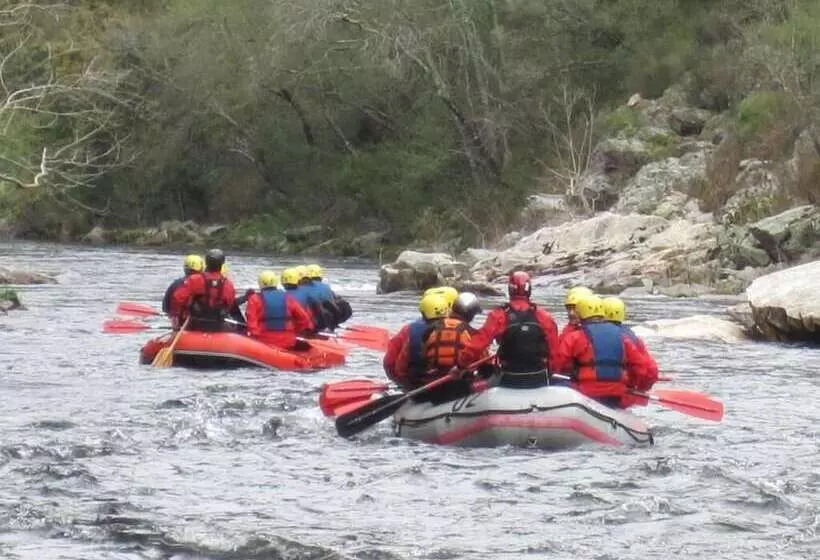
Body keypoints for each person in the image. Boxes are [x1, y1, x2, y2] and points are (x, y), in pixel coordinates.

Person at [554, 295, 657, 408]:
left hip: (585, 392)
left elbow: (558, 364)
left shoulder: (574, 336)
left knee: (556, 383)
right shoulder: (622, 336)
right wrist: (631, 385)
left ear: (580, 314)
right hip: (616, 394)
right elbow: (640, 367)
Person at [465, 271, 560, 389]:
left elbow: (477, 345)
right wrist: (552, 372)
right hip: (538, 378)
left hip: (509, 378)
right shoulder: (544, 316)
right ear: (529, 290)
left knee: (475, 385)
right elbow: (555, 354)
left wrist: (460, 365)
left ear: (510, 289)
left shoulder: (498, 315)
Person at [245, 270, 314, 350]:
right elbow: (304, 318)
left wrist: (254, 338)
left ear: (260, 283)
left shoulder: (254, 299)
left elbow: (251, 322)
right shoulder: (287, 297)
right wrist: (296, 331)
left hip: (265, 342)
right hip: (288, 341)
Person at [602, 296, 660, 389]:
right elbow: (647, 367)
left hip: (624, 384)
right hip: (641, 379)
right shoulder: (631, 335)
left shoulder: (602, 334)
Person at [174, 248, 237, 332]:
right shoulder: (228, 284)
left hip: (195, 323)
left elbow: (178, 299)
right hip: (218, 325)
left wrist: (181, 316)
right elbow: (229, 305)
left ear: (206, 262)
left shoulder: (194, 280)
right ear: (222, 264)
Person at [304, 264, 353, 329]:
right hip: (327, 318)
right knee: (342, 304)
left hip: (314, 319)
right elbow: (333, 303)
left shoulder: (303, 287)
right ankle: (333, 325)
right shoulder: (326, 287)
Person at [162, 254, 203, 326]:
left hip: (180, 321)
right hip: (202, 322)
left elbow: (165, 307)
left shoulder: (175, 284)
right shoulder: (205, 283)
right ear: (201, 269)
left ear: (185, 269)